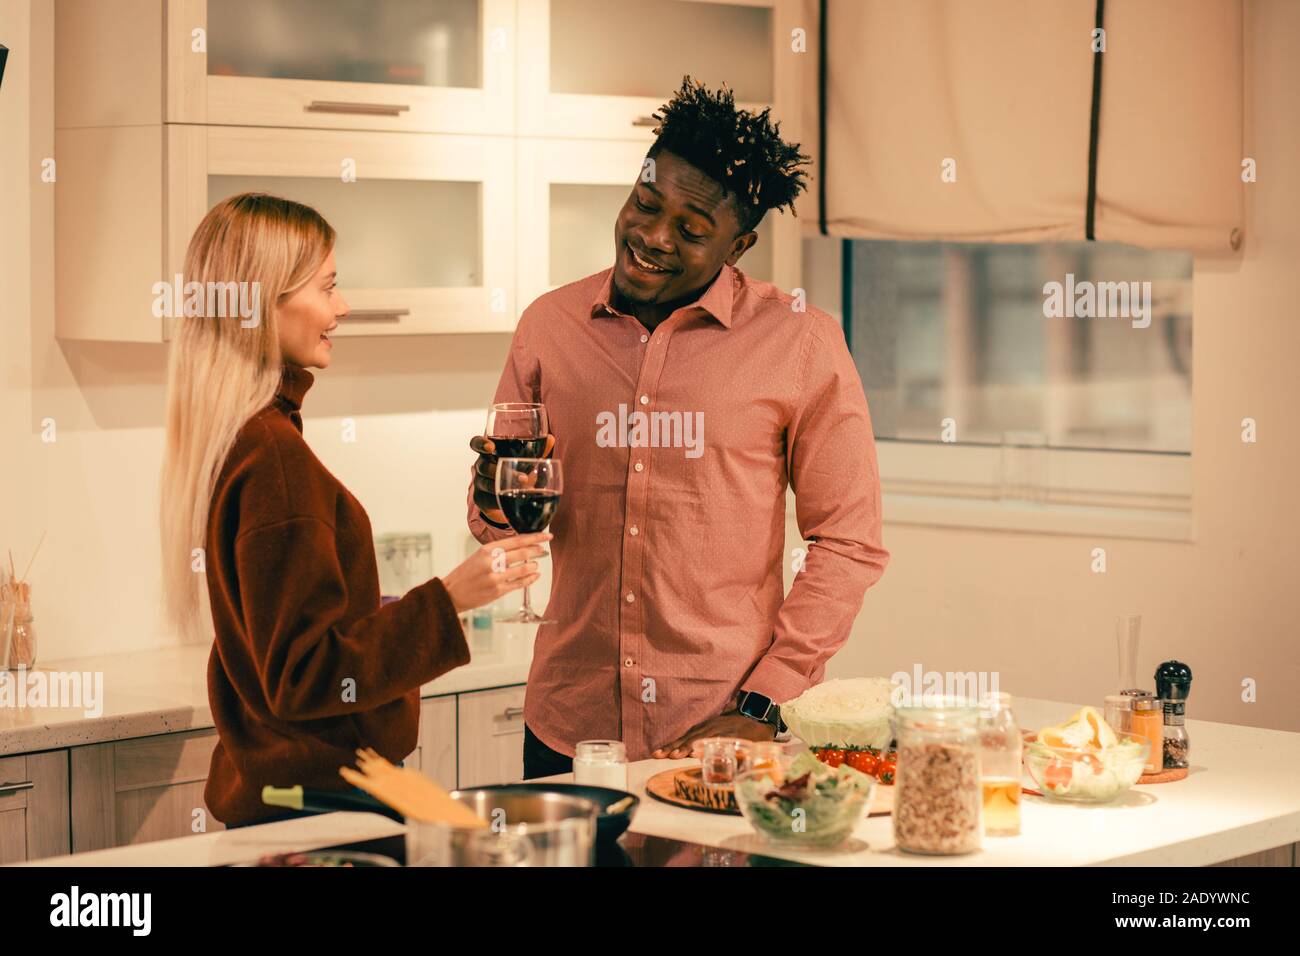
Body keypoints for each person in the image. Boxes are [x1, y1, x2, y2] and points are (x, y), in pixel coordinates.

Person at [466, 79, 890, 779]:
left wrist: (765, 704)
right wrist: (491, 500)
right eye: (645, 203)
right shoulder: (550, 326)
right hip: (568, 727)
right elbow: (502, 527)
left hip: (723, 731)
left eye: (692, 231)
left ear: (739, 243)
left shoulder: (800, 342)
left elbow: (849, 542)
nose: (653, 237)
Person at [161, 193, 551, 827]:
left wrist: (378, 610)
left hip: (273, 793)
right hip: (317, 803)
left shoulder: (237, 436)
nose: (341, 308)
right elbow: (303, 675)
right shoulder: (274, 457)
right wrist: (447, 598)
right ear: (264, 302)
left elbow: (272, 649)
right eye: (328, 287)